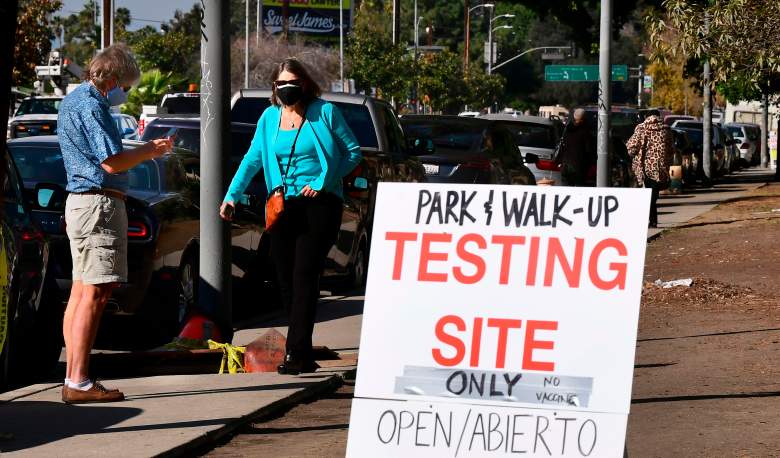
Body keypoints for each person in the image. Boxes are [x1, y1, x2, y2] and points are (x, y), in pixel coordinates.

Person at [220, 58, 362, 375]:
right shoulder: (269, 118)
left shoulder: (325, 113)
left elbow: (353, 153)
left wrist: (323, 181)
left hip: (320, 204)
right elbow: (252, 158)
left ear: (306, 84)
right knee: (284, 280)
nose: (287, 88)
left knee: (303, 277)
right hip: (282, 205)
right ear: (275, 87)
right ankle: (302, 348)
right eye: (281, 83)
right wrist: (231, 195)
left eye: (293, 82)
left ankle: (296, 354)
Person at [58, 44, 172, 403]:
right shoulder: (93, 105)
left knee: (80, 292)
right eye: (126, 84)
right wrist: (150, 150)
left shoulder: (72, 101)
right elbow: (112, 162)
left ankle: (73, 376)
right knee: (95, 293)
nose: (127, 92)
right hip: (98, 204)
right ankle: (78, 381)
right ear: (111, 78)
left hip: (80, 203)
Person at [626, 114, 673, 228]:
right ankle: (652, 221)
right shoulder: (666, 130)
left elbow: (632, 147)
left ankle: (652, 221)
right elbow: (671, 149)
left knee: (649, 195)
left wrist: (631, 154)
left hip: (645, 167)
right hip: (660, 167)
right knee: (653, 194)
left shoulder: (641, 129)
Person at [556, 108, 594, 186]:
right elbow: (588, 150)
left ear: (573, 116)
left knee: (566, 187)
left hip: (565, 165)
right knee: (578, 189)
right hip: (578, 166)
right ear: (584, 118)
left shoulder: (567, 129)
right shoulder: (585, 132)